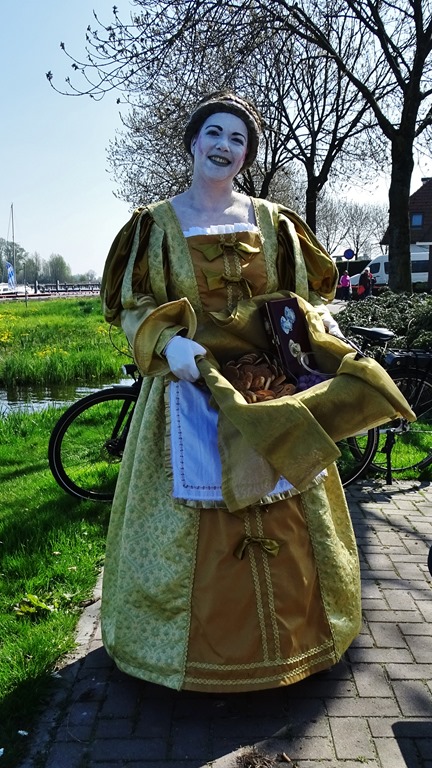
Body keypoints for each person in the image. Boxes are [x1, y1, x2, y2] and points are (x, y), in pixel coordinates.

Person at [100, 90, 414, 693]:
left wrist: (321, 327)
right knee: (191, 518)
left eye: (238, 139)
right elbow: (133, 305)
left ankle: (300, 640)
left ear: (247, 154)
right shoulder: (155, 226)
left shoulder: (274, 222)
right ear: (193, 142)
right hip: (188, 393)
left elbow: (306, 299)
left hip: (273, 391)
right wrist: (167, 343)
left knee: (289, 501)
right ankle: (179, 653)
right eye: (214, 133)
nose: (224, 146)